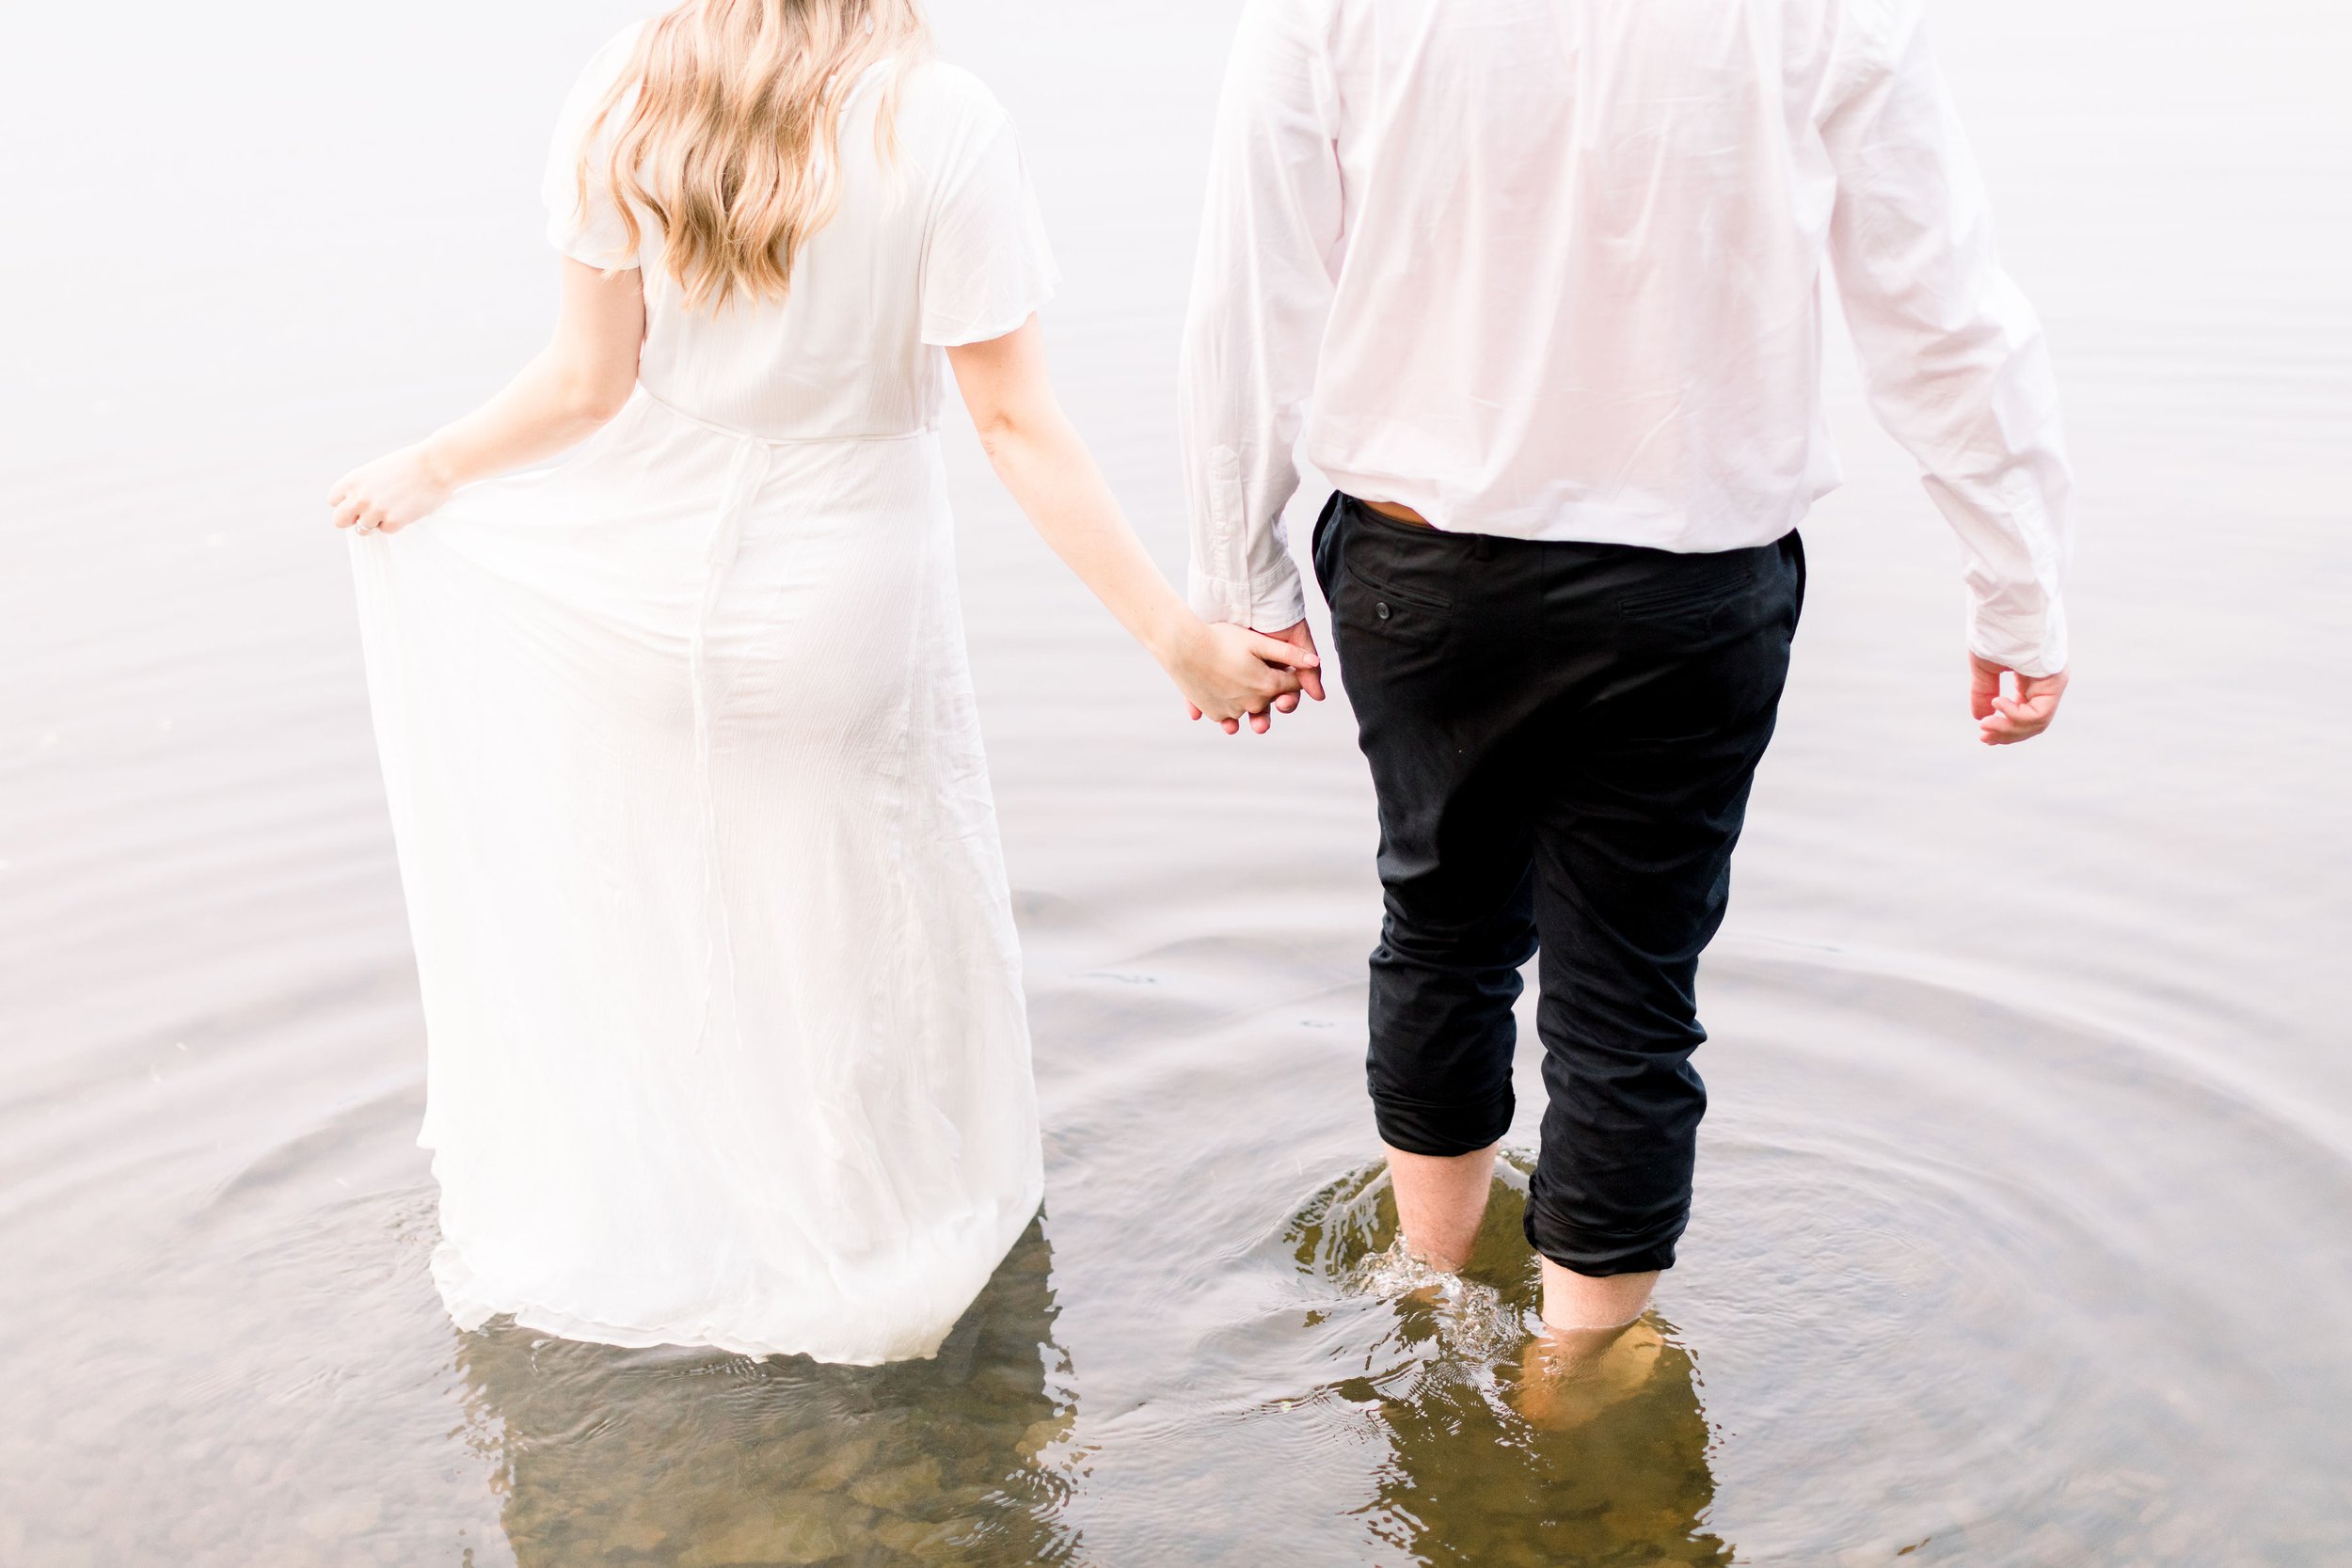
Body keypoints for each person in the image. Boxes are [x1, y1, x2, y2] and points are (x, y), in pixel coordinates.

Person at [327, 0, 1308, 1365]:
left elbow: (580, 385)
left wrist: (426, 471)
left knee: (685, 907)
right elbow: (1014, 421)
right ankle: (869, 1233)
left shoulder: (629, 83)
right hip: (841, 591)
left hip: (649, 581)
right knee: (868, 928)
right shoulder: (944, 121)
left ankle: (703, 1211)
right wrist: (1179, 638)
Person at [1181, 0, 2073, 1354]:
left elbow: (1254, 292)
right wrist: (2016, 584)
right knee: (1632, 997)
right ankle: (1578, 1369)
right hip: (1689, 585)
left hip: (1427, 567)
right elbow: (1938, 302)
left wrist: (1240, 579)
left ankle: (1427, 1287)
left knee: (1441, 927)